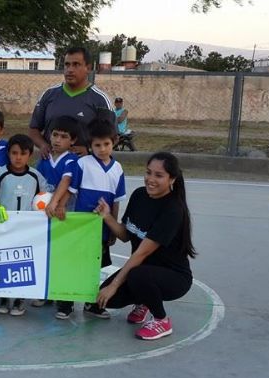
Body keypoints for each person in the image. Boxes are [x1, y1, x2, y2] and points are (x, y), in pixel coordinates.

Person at [92, 152, 196, 340]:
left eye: (159, 175)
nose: (151, 179)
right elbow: (125, 235)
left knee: (135, 276)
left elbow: (141, 253)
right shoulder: (140, 195)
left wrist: (115, 285)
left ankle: (162, 320)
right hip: (144, 271)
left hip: (174, 278)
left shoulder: (173, 209)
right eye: (148, 173)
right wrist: (106, 216)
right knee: (107, 300)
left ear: (171, 178)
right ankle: (145, 300)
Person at [47, 119, 126, 320]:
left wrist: (113, 227)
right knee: (73, 263)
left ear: (114, 142)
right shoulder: (82, 163)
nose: (101, 149)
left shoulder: (118, 169)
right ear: (90, 145)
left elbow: (116, 201)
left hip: (101, 227)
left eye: (106, 144)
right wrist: (61, 205)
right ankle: (66, 303)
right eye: (96, 145)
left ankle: (92, 304)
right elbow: (71, 190)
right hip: (80, 226)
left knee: (94, 267)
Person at [0, 134, 48, 317]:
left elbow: (46, 195)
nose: (18, 157)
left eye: (23, 153)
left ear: (30, 155)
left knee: (23, 265)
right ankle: (3, 297)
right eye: (14, 153)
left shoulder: (35, 177)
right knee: (3, 262)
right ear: (8, 154)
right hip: (3, 229)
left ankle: (20, 299)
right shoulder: (1, 174)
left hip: (27, 231)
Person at [28, 46, 114, 158]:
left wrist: (89, 149)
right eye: (67, 64)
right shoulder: (49, 94)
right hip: (52, 163)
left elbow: (112, 136)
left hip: (84, 166)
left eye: (76, 64)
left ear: (87, 68)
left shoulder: (100, 99)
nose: (70, 69)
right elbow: (33, 129)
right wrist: (43, 145)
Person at [31, 115, 80, 308]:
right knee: (46, 254)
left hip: (63, 214)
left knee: (63, 255)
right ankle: (46, 293)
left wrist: (55, 203)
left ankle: (64, 298)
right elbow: (37, 182)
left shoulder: (72, 160)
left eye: (64, 136)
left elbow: (66, 181)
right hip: (44, 215)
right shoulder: (43, 159)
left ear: (73, 141)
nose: (57, 140)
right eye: (55, 135)